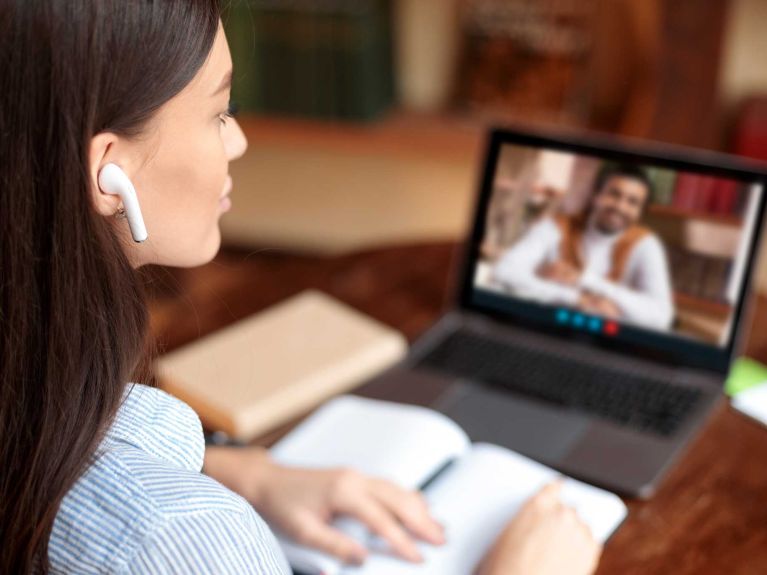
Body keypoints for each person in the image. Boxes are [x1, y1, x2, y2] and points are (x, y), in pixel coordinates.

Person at [0, 2, 601, 573]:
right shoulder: (185, 536)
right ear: (111, 171)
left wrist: (246, 474)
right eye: (219, 112)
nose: (236, 141)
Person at [493, 163, 675, 331]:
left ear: (640, 213)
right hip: (543, 328)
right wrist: (576, 299)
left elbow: (661, 316)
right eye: (614, 194)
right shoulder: (556, 226)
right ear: (596, 196)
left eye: (632, 202)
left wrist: (584, 279)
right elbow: (504, 271)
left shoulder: (646, 244)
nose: (620, 206)